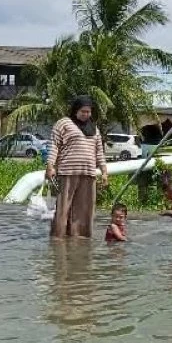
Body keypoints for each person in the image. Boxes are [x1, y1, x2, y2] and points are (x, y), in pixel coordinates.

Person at [46, 96, 108, 238]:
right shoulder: (63, 124)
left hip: (88, 173)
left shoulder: (94, 129)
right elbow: (54, 146)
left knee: (85, 209)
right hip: (68, 172)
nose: (86, 114)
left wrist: (104, 172)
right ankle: (58, 237)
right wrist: (50, 166)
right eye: (83, 111)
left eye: (88, 112)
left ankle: (80, 237)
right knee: (63, 208)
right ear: (75, 110)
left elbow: (99, 152)